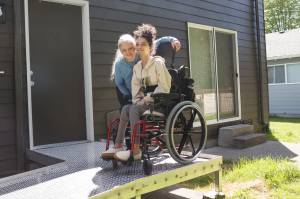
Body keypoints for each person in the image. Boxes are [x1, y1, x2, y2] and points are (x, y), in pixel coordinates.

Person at [102, 24, 172, 161]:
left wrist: (147, 98)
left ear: (151, 47)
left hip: (158, 102)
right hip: (144, 102)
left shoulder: (158, 64)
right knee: (126, 109)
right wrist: (138, 100)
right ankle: (118, 145)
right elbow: (135, 90)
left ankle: (136, 148)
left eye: (143, 44)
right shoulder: (137, 67)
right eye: (138, 44)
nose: (139, 47)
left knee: (133, 109)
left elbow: (165, 87)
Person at [111, 34, 181, 108]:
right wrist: (130, 96)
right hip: (127, 92)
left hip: (143, 91)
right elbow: (120, 84)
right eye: (124, 50)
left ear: (135, 47)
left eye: (130, 48)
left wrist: (173, 40)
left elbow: (158, 42)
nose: (128, 52)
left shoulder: (141, 52)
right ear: (121, 51)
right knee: (127, 109)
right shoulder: (119, 65)